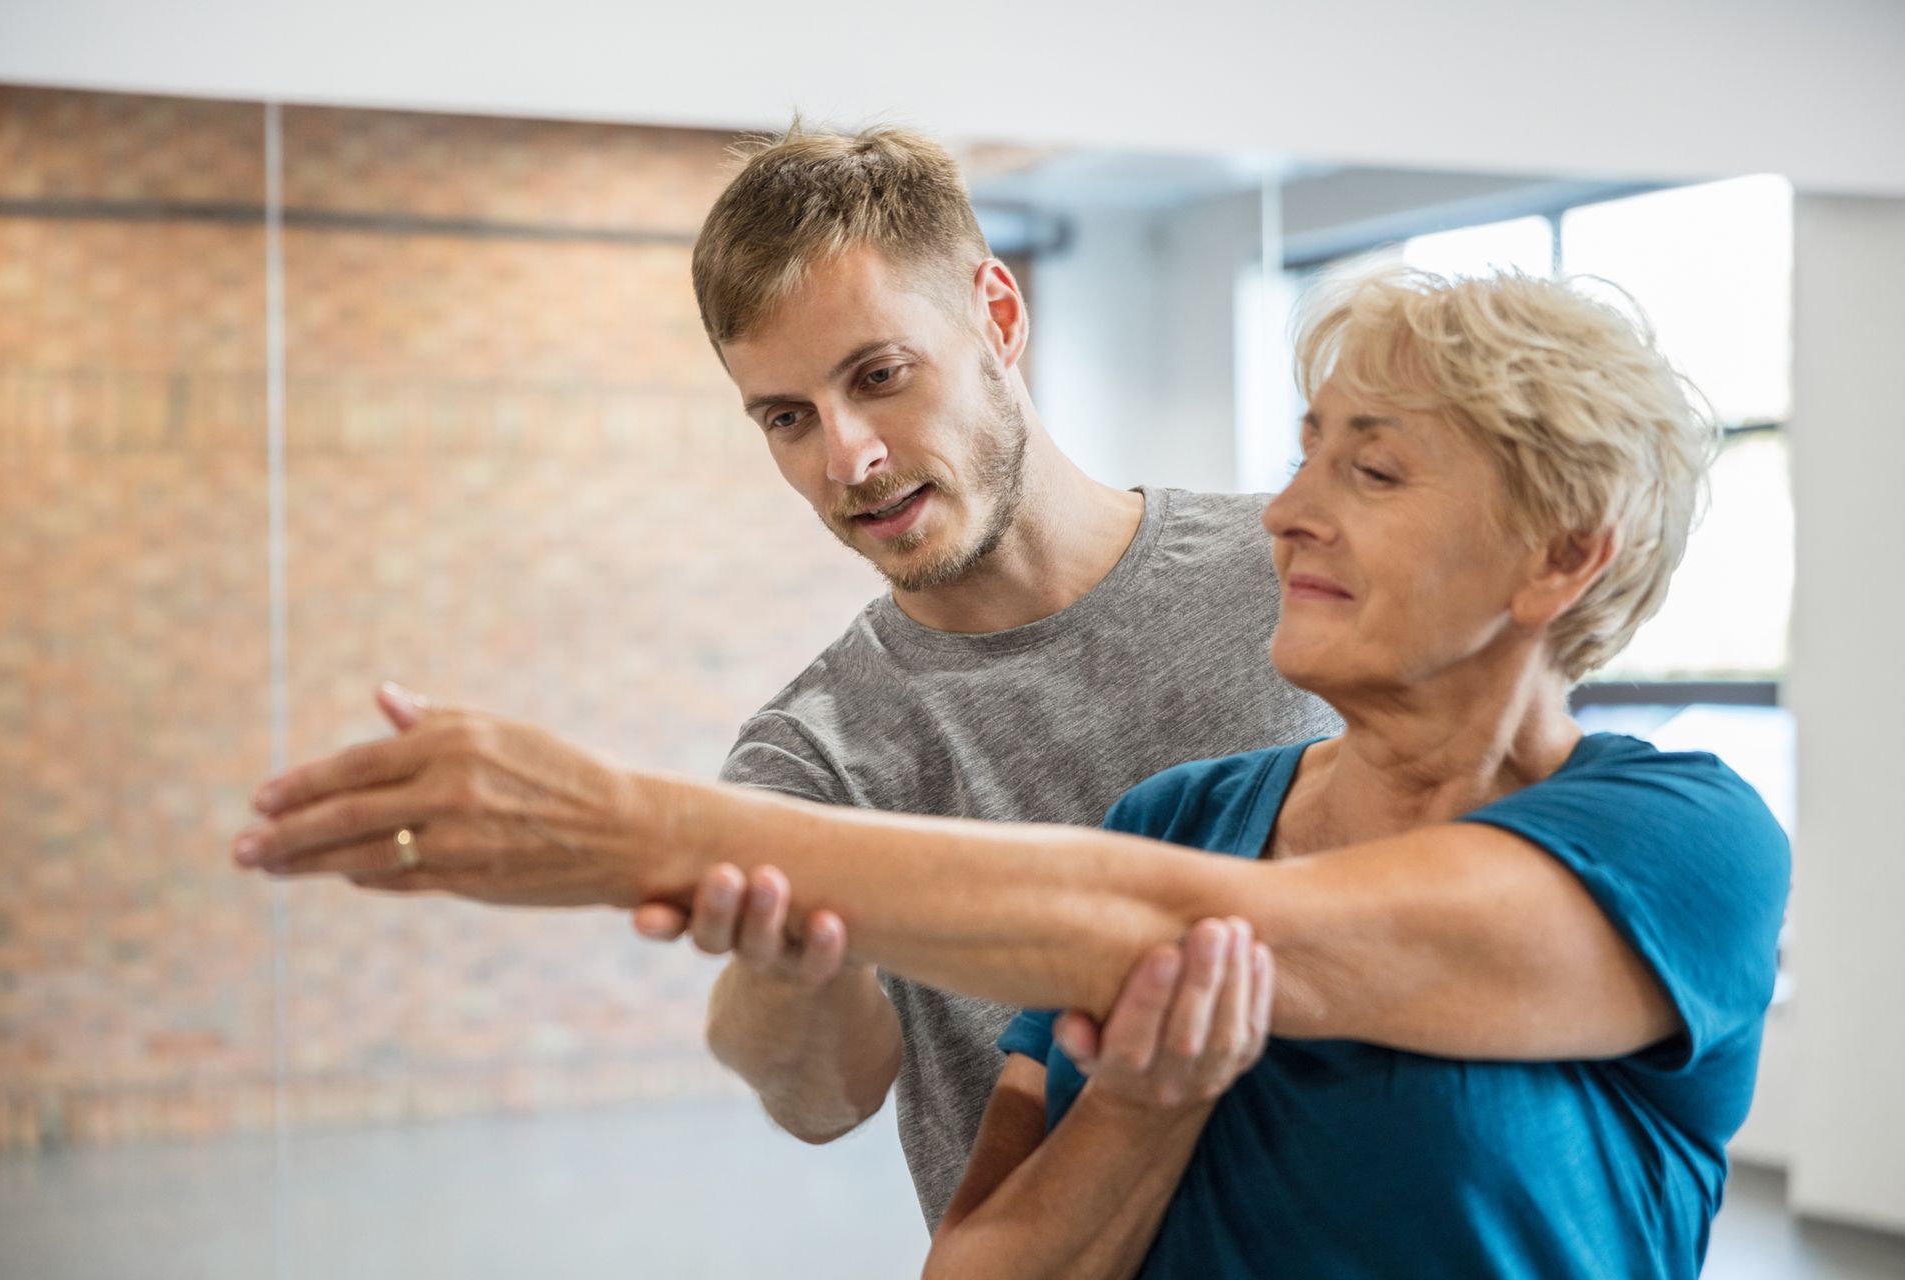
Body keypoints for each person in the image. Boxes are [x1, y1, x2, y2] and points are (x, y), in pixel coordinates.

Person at [234, 263, 1789, 1277]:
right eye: (1305, 453)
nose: (1288, 512)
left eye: (1369, 471)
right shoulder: (1181, 818)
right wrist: (1145, 1110)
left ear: (1560, 560)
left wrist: (619, 823)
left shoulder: (1682, 840)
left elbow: (1185, 929)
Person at [642, 120, 1339, 1226]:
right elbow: (822, 1096)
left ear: (998, 318)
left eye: (879, 375)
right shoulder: (815, 749)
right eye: (787, 418)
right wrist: (784, 963)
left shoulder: (1299, 571)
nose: (846, 458)